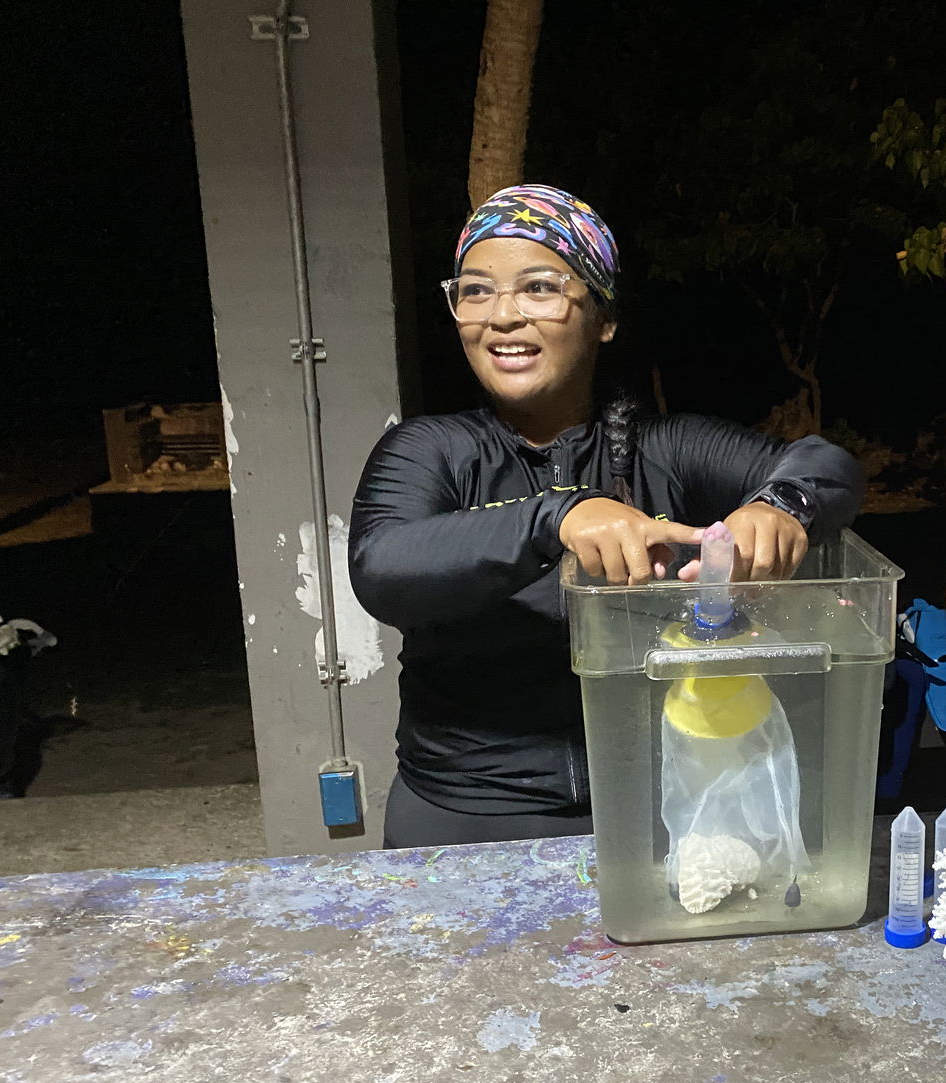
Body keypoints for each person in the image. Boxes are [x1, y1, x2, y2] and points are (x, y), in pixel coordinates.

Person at [349, 185, 863, 848]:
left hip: (662, 805)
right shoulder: (431, 449)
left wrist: (782, 507)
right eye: (475, 291)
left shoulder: (667, 448)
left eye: (539, 287)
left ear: (604, 316)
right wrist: (557, 516)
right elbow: (382, 567)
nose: (501, 316)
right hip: (466, 811)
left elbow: (827, 464)